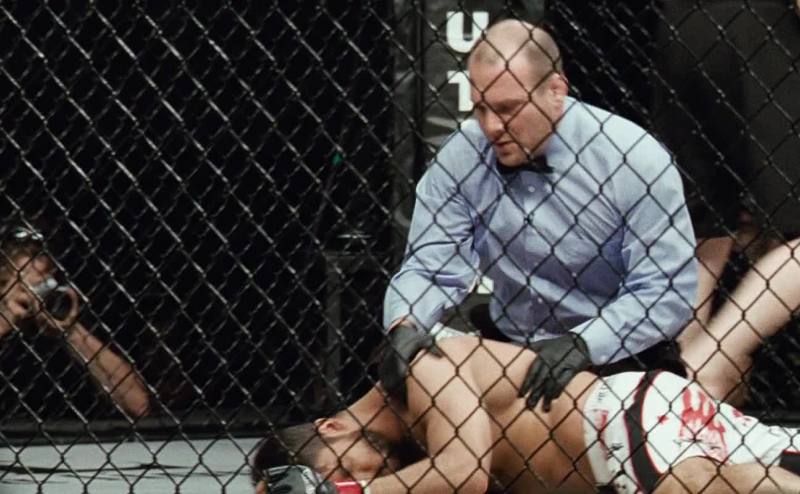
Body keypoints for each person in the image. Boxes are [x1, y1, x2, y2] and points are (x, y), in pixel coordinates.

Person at [381, 19, 697, 411]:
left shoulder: (632, 159)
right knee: (395, 399)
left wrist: (586, 342)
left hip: (616, 353)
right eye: (480, 108)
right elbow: (432, 267)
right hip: (508, 346)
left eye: (507, 108)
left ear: (556, 92)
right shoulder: (462, 155)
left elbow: (667, 291)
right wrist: (405, 323)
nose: (492, 127)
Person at [252, 335, 800, 493]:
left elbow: (466, 471)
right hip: (638, 448)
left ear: (332, 427)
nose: (363, 478)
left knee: (696, 486)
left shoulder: (422, 365)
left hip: (621, 421)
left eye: (342, 472)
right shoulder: (415, 467)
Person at [651, 0, 800, 403]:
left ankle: (678, 386)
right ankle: (706, 364)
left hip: (684, 23)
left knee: (705, 218)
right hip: (762, 26)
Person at [0, 223, 150, 419]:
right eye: (20, 277)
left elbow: (138, 406)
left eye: (43, 277)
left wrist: (71, 331)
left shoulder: (74, 311)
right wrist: (5, 318)